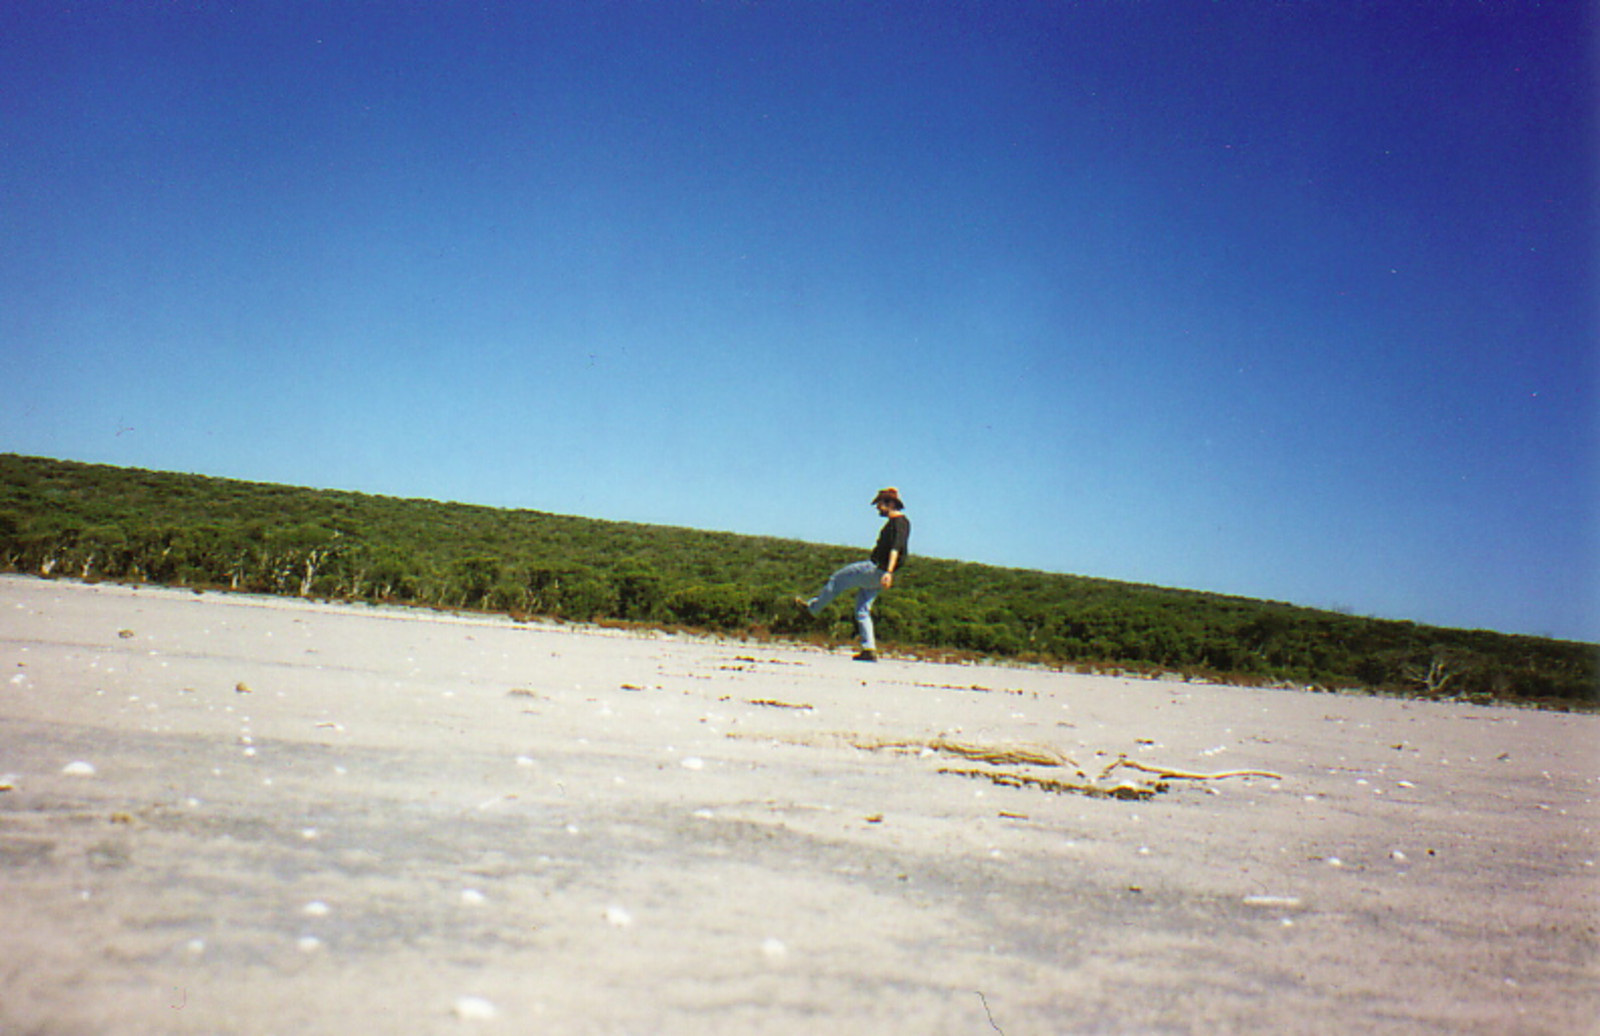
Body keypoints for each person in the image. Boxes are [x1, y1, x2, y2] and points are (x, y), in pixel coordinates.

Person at [798, 487, 910, 662]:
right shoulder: (902, 523)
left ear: (889, 503)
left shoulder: (897, 524)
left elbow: (896, 548)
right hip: (880, 575)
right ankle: (869, 649)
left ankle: (812, 610)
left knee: (837, 579)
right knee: (863, 610)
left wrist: (888, 572)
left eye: (880, 504)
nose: (877, 508)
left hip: (876, 569)